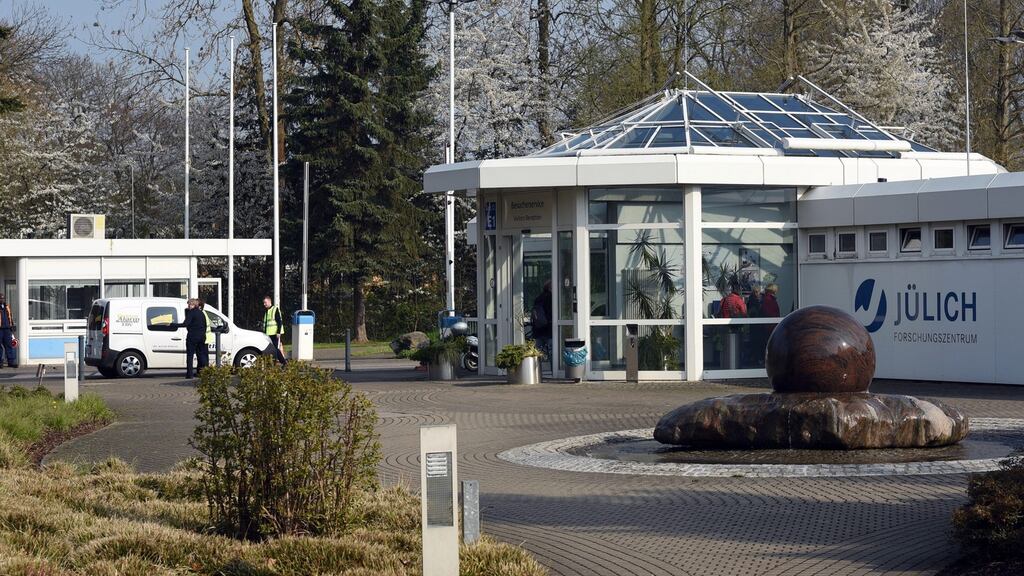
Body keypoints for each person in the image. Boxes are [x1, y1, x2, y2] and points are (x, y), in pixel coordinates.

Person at [172, 298, 207, 379]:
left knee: (190, 355)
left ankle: (189, 374)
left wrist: (173, 324)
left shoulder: (191, 313)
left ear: (193, 305)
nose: (188, 306)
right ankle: (204, 372)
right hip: (201, 337)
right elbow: (204, 325)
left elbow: (185, 324)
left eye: (189, 304)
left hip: (192, 337)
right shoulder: (201, 313)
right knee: (201, 355)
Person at [530, 280, 553, 369]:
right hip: (548, 329)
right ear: (551, 288)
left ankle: (536, 372)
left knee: (537, 352)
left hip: (538, 330)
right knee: (552, 351)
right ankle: (554, 370)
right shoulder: (552, 298)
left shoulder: (538, 298)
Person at [263, 295, 288, 365]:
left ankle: (283, 363)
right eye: (264, 303)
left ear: (269, 301)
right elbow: (266, 324)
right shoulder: (267, 311)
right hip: (268, 334)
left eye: (265, 302)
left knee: (275, 349)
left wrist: (278, 332)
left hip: (274, 334)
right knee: (272, 349)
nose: (264, 304)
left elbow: (279, 321)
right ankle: (279, 363)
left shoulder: (275, 309)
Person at [0, 294, 16, 369]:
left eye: (3, 298)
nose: (2, 299)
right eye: (0, 298)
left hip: (7, 329)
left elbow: (10, 316)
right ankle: (0, 362)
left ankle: (11, 362)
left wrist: (12, 325)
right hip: (0, 329)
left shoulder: (6, 306)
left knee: (9, 345)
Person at [197, 298, 212, 371]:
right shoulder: (204, 312)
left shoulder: (201, 313)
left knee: (202, 355)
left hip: (203, 337)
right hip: (205, 337)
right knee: (203, 355)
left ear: (199, 306)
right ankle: (202, 370)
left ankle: (203, 371)